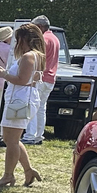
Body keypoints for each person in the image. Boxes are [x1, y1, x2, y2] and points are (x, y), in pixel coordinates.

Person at [0, 24, 44, 186]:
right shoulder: (37, 55)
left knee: (11, 140)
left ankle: (8, 175)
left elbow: (22, 80)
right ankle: (28, 171)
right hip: (22, 99)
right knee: (11, 138)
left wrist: (3, 74)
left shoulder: (28, 57)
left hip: (21, 100)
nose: (16, 43)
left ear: (25, 39)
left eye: (18, 39)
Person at [26, 15, 59, 145]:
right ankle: (39, 135)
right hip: (50, 78)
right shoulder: (55, 38)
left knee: (32, 106)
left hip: (40, 77)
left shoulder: (42, 39)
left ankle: (30, 135)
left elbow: (36, 59)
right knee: (41, 108)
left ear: (39, 27)